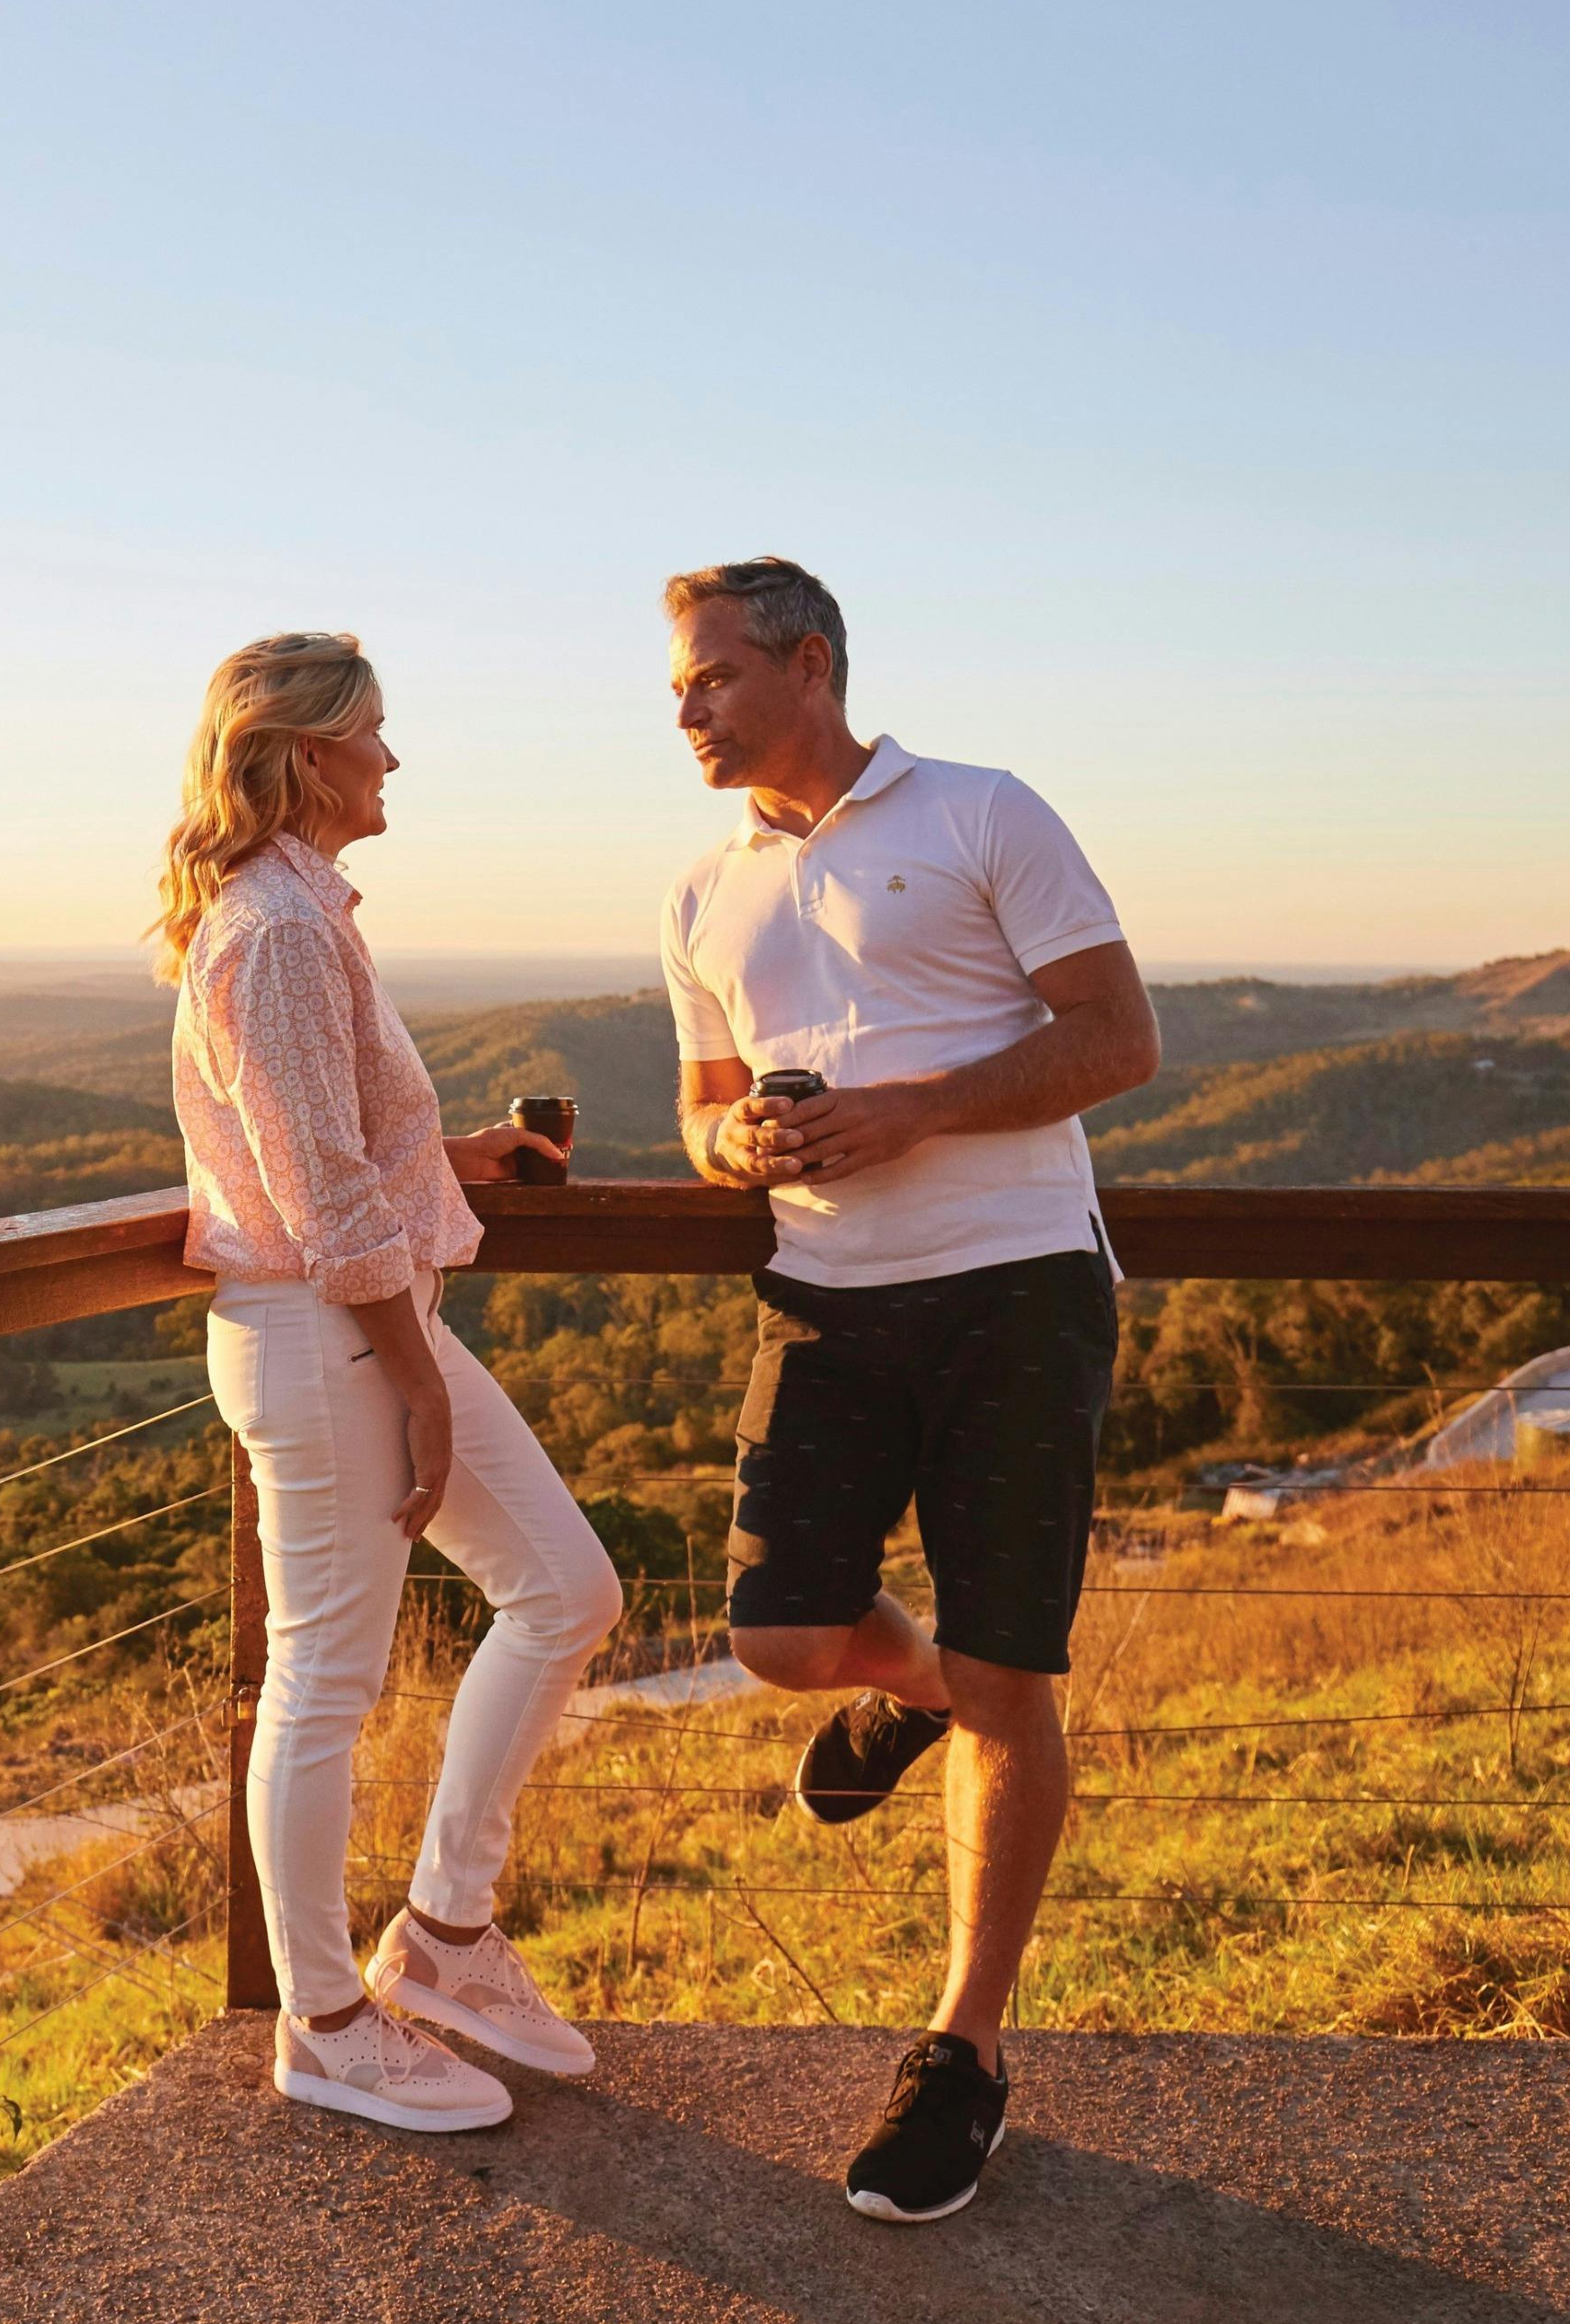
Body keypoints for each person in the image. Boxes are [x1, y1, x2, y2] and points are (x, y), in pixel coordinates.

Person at [658, 557, 1160, 2222]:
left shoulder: (983, 811)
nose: (687, 708)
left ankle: (965, 2049)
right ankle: (926, 1688)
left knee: (1017, 1671)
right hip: (821, 1299)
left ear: (809, 663)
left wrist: (916, 1109)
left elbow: (1119, 1039)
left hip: (1016, 1290)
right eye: (679, 684)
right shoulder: (700, 890)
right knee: (782, 1637)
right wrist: (733, 1140)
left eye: (714, 675)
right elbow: (699, 1108)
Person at [157, 630, 625, 2134]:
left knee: (567, 1589)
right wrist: (419, 1381)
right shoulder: (279, 931)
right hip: (331, 1336)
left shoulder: (298, 912)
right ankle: (325, 2023)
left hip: (359, 1320)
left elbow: (338, 1146)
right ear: (310, 756)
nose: (393, 757)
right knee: (325, 1686)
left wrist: (450, 1156)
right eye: (374, 731)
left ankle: (443, 1934)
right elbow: (317, 1195)